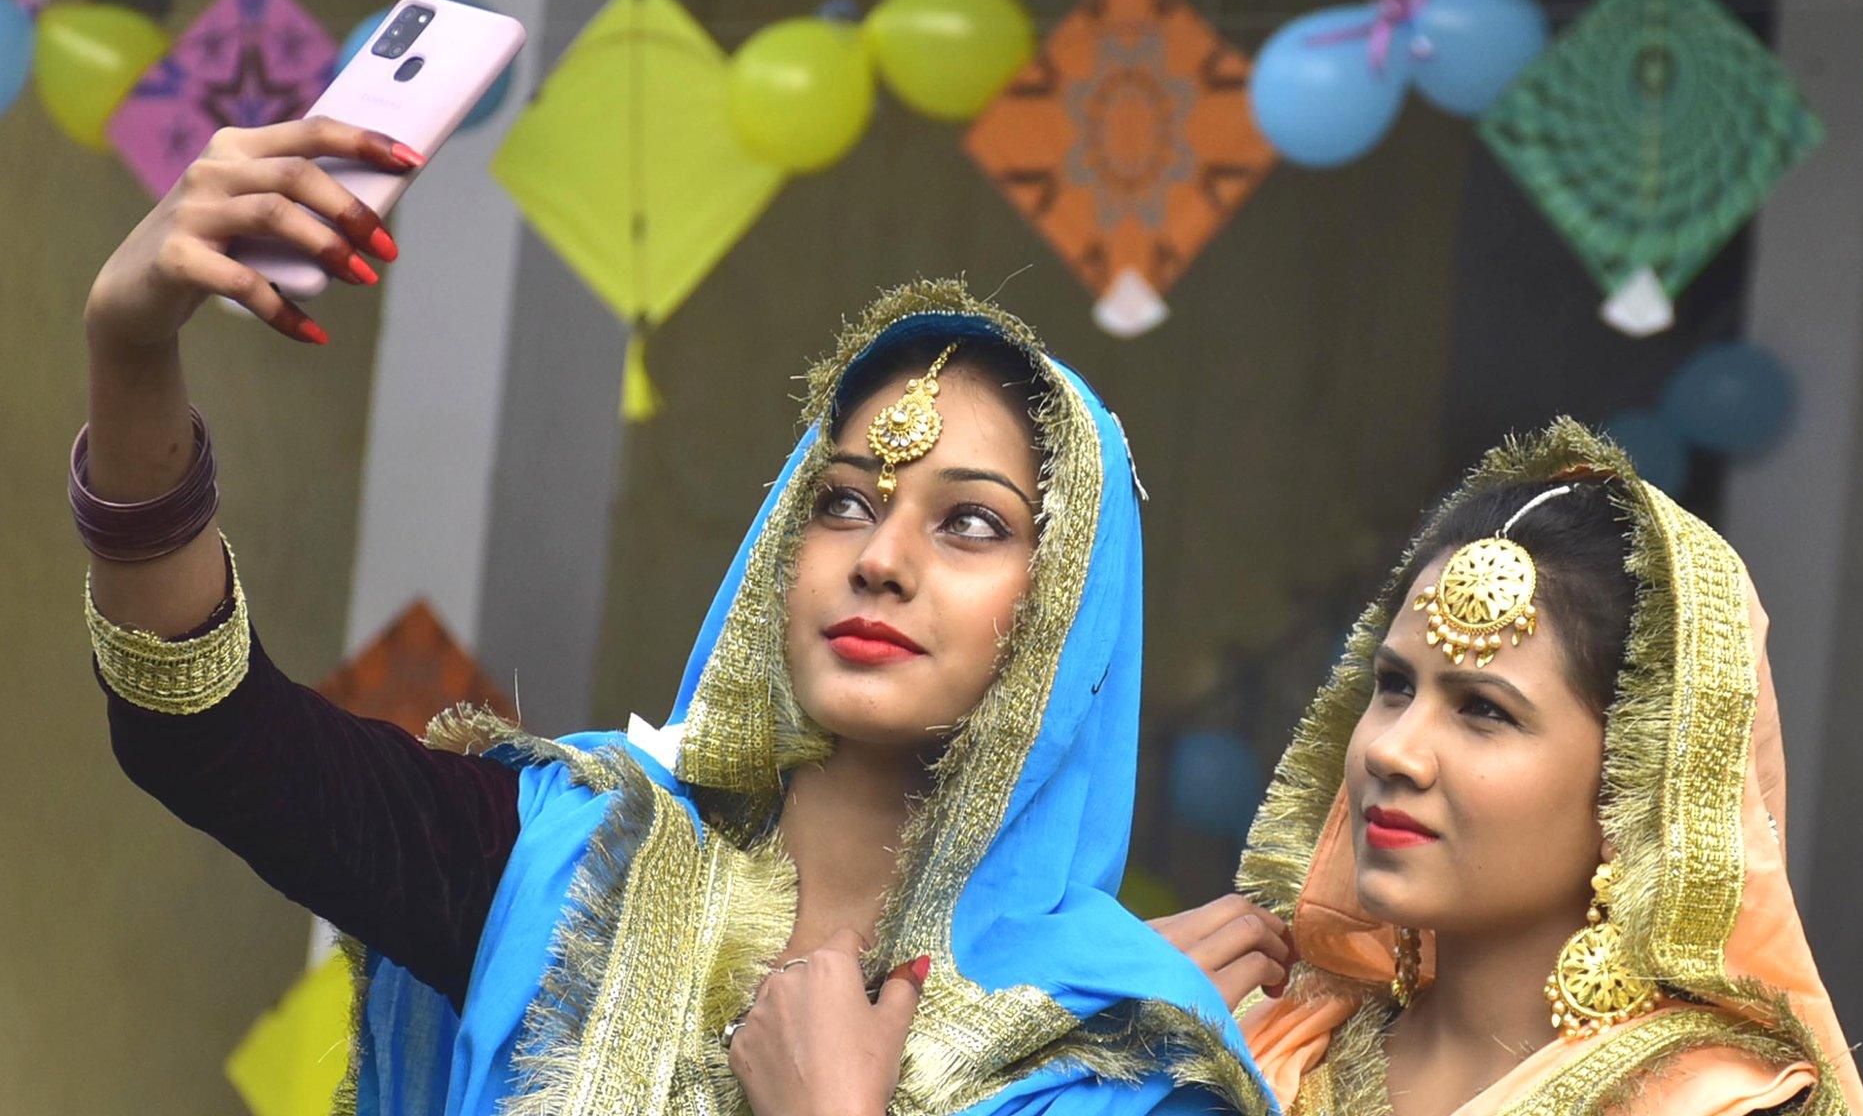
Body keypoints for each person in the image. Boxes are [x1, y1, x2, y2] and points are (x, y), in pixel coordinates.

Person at [77, 119, 1266, 1116]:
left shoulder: (1123, 1058)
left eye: (969, 524)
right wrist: (131, 353)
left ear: (1064, 611)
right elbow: (207, 730)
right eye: (843, 502)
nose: (883, 560)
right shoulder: (566, 866)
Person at [1161, 420, 1863, 1116]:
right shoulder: (1254, 1046)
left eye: (1484, 710)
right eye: (1394, 686)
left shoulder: (1718, 1106)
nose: (1390, 750)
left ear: (1636, 785)